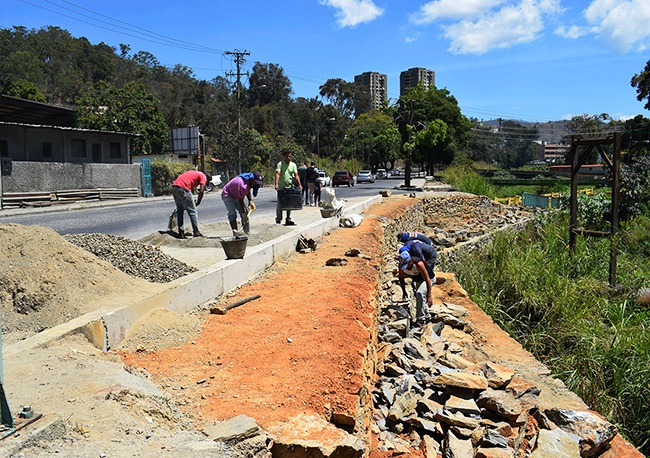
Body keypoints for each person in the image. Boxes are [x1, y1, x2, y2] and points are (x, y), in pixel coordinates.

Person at [398, 240, 438, 327]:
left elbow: (427, 279)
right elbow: (401, 278)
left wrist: (430, 295)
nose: (406, 268)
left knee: (420, 293)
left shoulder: (419, 264)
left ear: (410, 261)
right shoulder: (401, 266)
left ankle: (421, 320)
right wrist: (404, 291)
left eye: (407, 265)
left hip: (429, 279)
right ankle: (427, 316)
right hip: (419, 280)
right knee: (420, 297)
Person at [171, 169, 211, 238]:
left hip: (174, 188)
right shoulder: (203, 176)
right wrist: (198, 202)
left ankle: (181, 232)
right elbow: (201, 191)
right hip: (183, 188)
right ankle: (196, 232)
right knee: (192, 211)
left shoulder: (194, 173)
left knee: (180, 211)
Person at [275, 150, 302, 226]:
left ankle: (288, 218)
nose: (288, 158)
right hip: (281, 186)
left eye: (290, 156)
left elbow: (296, 175)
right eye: (287, 156)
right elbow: (278, 174)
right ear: (284, 157)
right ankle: (278, 218)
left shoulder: (293, 165)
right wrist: (276, 184)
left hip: (289, 186)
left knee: (289, 203)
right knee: (280, 202)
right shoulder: (280, 164)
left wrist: (299, 184)